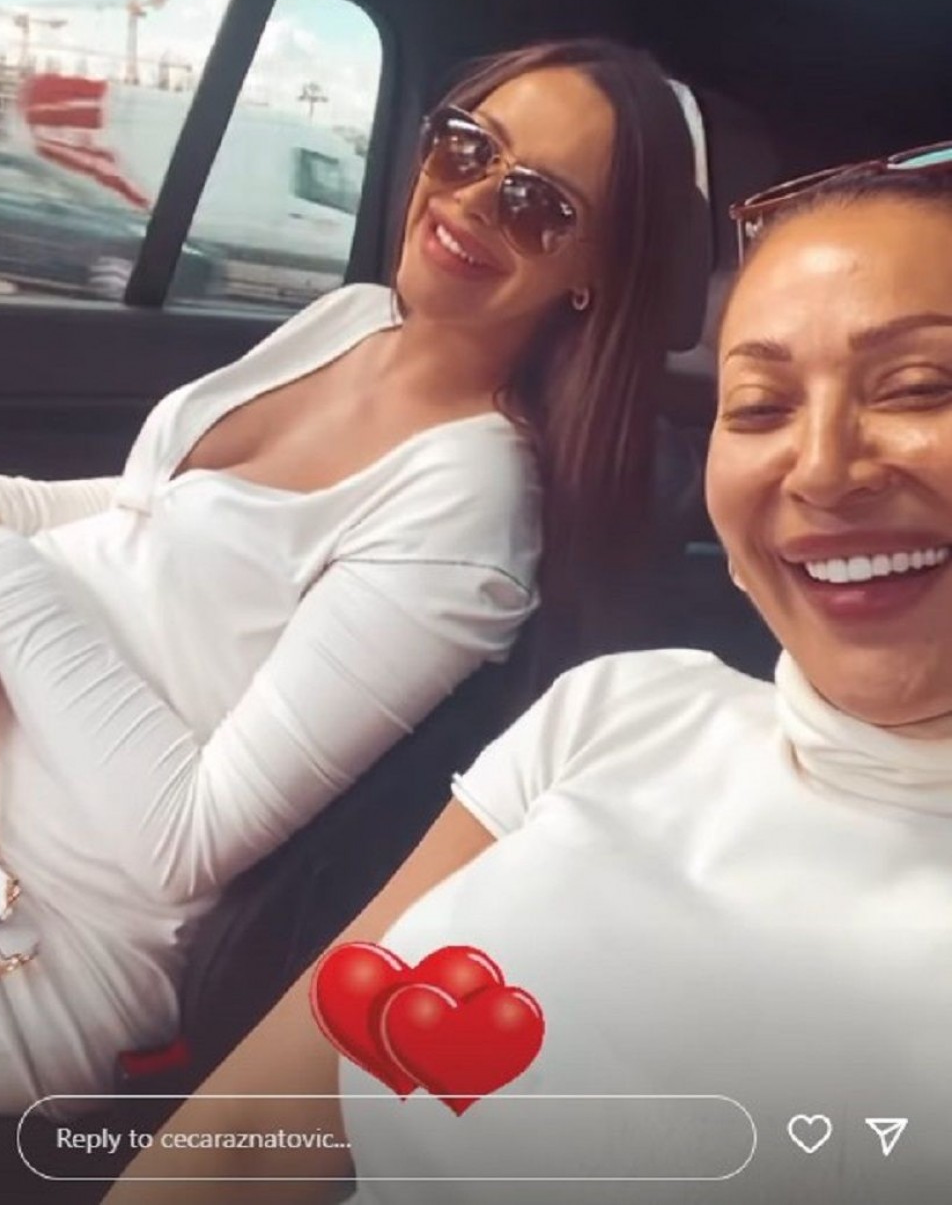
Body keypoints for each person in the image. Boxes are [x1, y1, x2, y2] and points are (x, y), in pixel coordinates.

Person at [105, 147, 952, 1205]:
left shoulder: (468, 495)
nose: (821, 469)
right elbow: (248, 1137)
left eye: (922, 387)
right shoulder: (620, 712)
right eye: (759, 407)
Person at [0, 38, 697, 1114]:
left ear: (593, 273)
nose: (471, 199)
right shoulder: (356, 320)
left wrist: (3, 575)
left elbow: (188, 840)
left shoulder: (469, 504)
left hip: (51, 930)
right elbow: (144, 509)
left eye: (538, 205)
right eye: (467, 148)